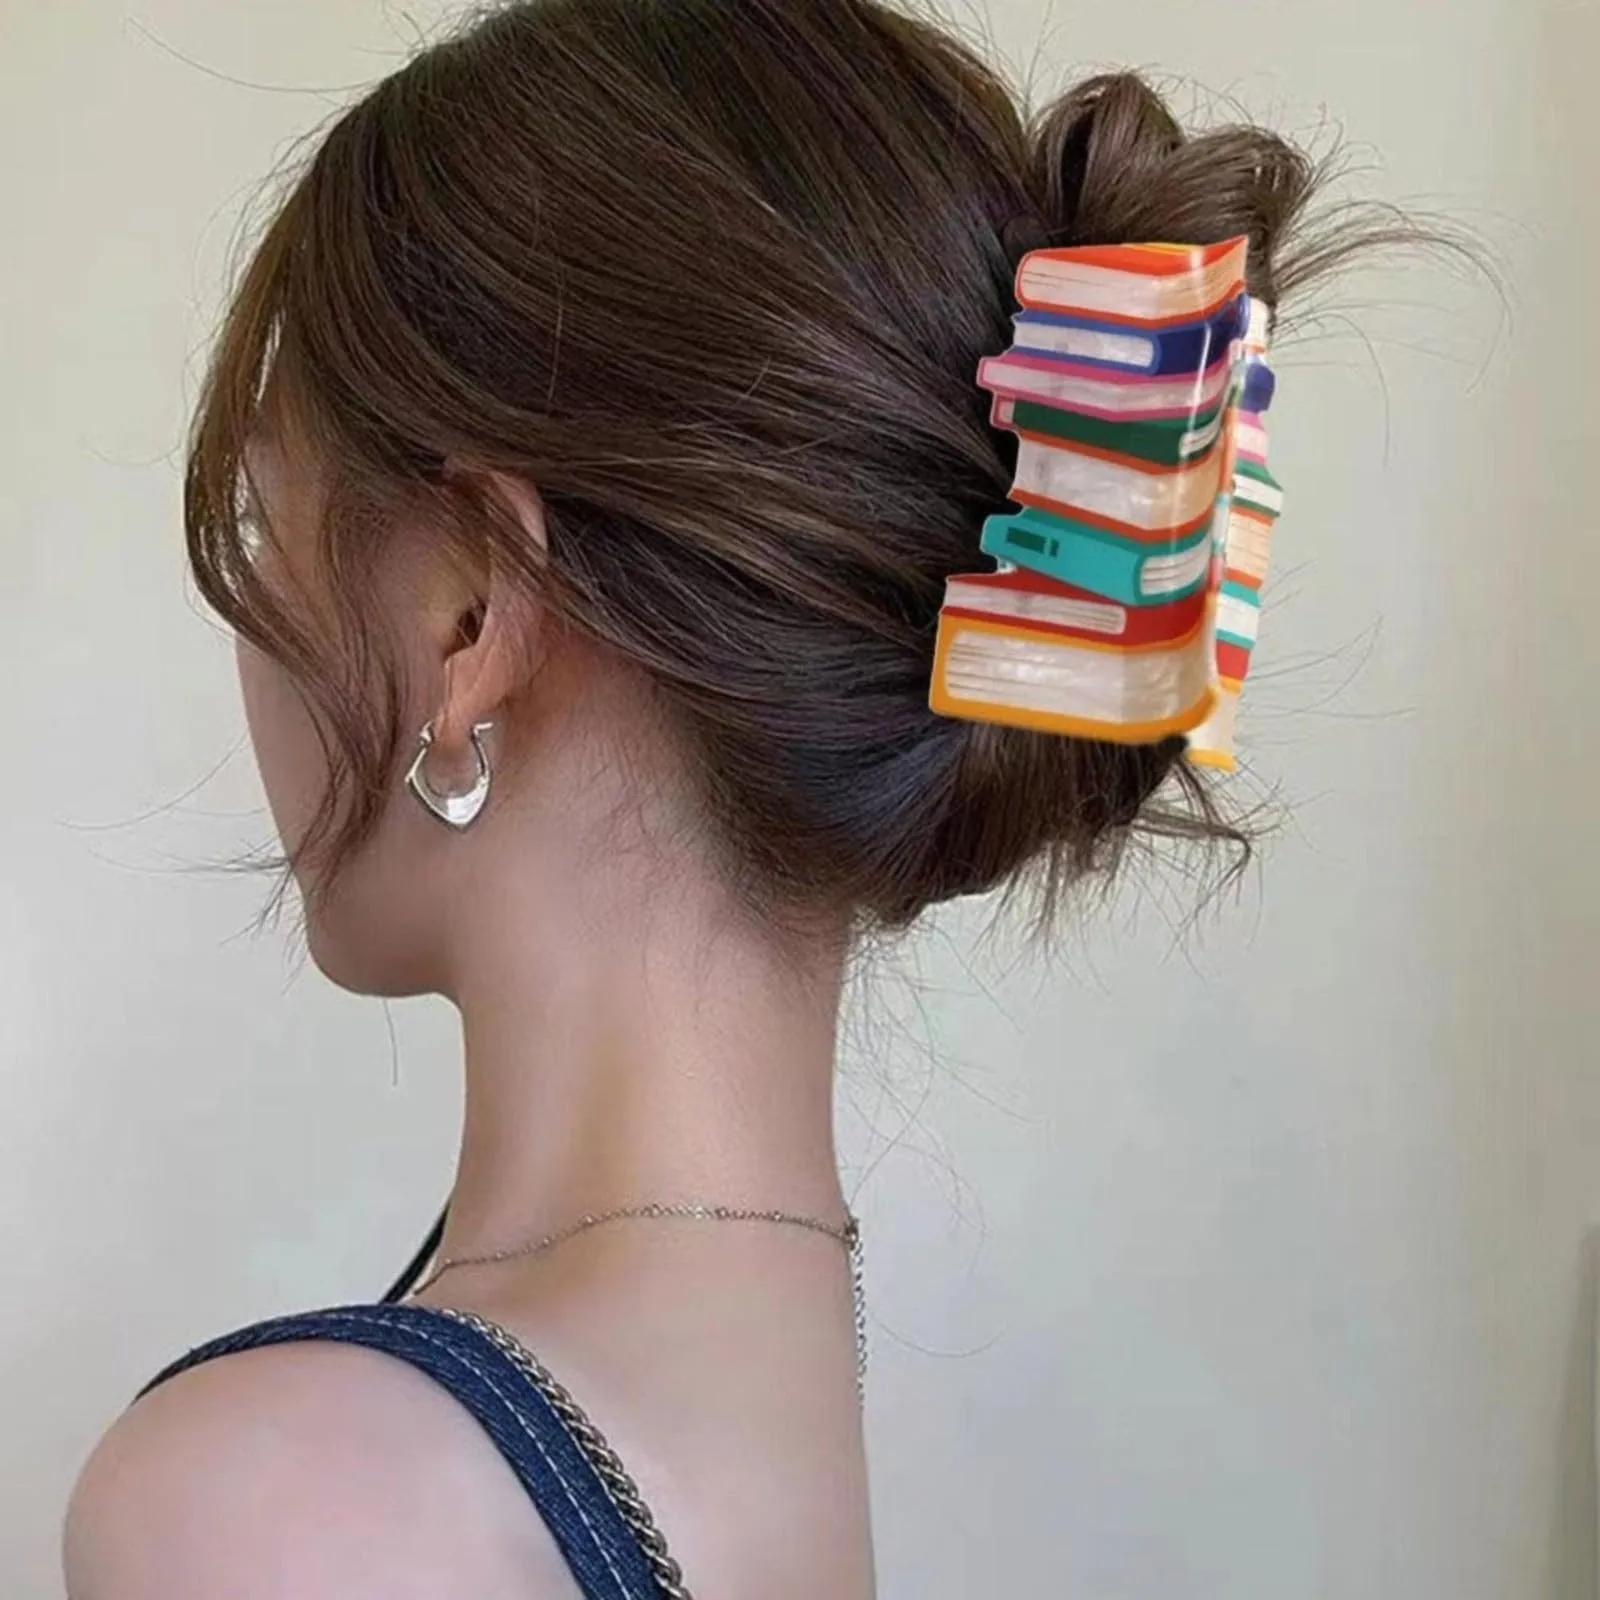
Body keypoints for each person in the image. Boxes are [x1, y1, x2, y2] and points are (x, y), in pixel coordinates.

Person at [62, 2, 1381, 1595]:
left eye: (268, 525)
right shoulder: (773, 1357)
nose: (249, 621)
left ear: (470, 612)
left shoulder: (278, 1512)